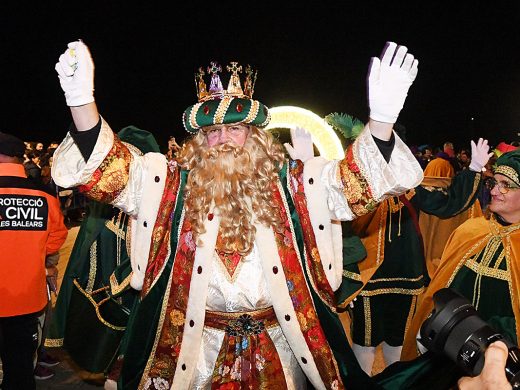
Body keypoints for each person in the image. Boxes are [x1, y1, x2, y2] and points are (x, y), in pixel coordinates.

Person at [52, 40, 422, 389]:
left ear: (255, 136)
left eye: (235, 129)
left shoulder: (295, 186)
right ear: (199, 141)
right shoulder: (169, 186)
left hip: (280, 345)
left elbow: (350, 184)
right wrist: (82, 104)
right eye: (213, 132)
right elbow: (112, 170)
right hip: (196, 352)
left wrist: (382, 122)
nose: (224, 140)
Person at [346, 138, 491, 374]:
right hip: (368, 279)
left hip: (408, 278)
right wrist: (347, 276)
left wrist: (473, 169)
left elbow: (447, 204)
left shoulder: (411, 189)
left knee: (399, 342)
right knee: (364, 343)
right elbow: (340, 232)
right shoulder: (355, 191)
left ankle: (393, 383)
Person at [396, 148, 520, 388]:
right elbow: (441, 289)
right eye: (494, 182)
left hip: (498, 365)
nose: (494, 191)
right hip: (446, 356)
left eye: (506, 185)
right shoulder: (470, 231)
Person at [0, 132, 68, 389]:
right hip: (26, 297)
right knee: (19, 369)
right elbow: (58, 235)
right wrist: (33, 254)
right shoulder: (44, 195)